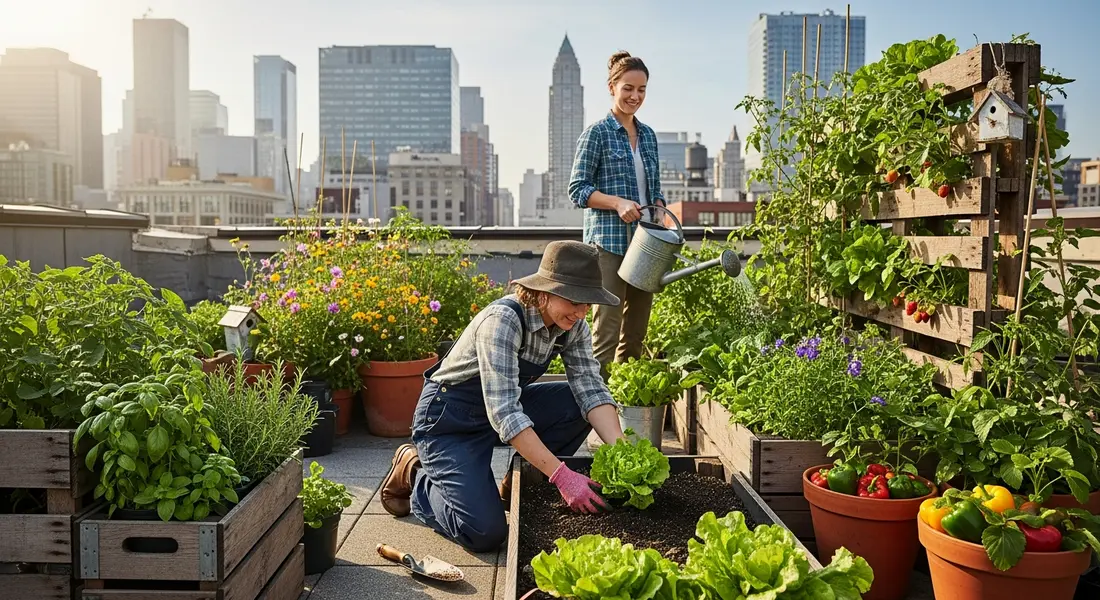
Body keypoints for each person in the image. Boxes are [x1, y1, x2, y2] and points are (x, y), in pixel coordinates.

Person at [378, 240, 627, 552]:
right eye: (575, 301)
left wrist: (622, 451)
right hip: (450, 422)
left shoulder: (573, 326)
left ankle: (517, 485)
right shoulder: (503, 320)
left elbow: (591, 388)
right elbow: (506, 413)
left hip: (498, 410)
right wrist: (562, 476)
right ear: (545, 292)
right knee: (484, 532)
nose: (581, 312)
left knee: (574, 403)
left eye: (588, 303)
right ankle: (415, 472)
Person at [569, 51, 664, 381]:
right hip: (608, 243)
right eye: (628, 88)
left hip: (646, 244)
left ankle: (625, 401)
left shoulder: (648, 136)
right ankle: (597, 404)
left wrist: (659, 208)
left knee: (636, 332)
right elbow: (578, 189)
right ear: (612, 87)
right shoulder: (596, 133)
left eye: (642, 89)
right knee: (606, 332)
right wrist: (617, 203)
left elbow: (654, 189)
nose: (635, 96)